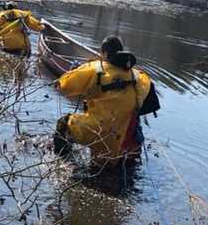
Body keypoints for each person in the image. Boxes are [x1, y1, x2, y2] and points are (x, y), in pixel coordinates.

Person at [53, 35, 157, 166]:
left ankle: (60, 162)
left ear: (105, 53)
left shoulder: (95, 68)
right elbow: (150, 99)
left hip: (97, 132)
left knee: (63, 123)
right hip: (125, 140)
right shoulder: (139, 76)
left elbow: (63, 86)